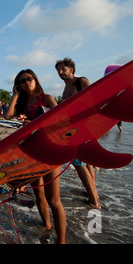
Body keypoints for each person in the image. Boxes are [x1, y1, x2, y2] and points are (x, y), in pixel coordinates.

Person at [4, 69, 66, 244]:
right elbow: (8, 116)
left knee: (54, 200)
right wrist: (15, 96)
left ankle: (61, 241)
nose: (26, 82)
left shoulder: (47, 99)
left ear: (36, 80)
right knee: (38, 194)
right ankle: (46, 227)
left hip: (50, 150)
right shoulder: (22, 103)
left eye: (29, 78)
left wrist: (33, 123)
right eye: (22, 81)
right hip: (31, 152)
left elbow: (61, 120)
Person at [55, 57, 101, 209]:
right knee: (86, 162)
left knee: (79, 163)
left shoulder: (81, 81)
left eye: (63, 69)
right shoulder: (66, 87)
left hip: (82, 127)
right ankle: (93, 193)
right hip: (73, 127)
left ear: (71, 69)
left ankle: (94, 201)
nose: (61, 72)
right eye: (58, 70)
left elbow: (94, 100)